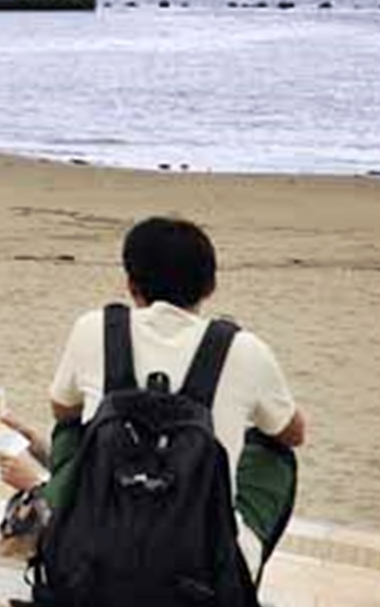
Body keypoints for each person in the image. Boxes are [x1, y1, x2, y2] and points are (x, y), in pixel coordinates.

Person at [38, 216, 304, 583]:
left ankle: (72, 520)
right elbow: (293, 434)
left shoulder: (92, 329)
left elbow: (61, 409)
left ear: (130, 283)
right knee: (273, 451)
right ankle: (240, 581)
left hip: (87, 572)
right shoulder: (245, 349)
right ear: (210, 286)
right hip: (197, 583)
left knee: (72, 426)